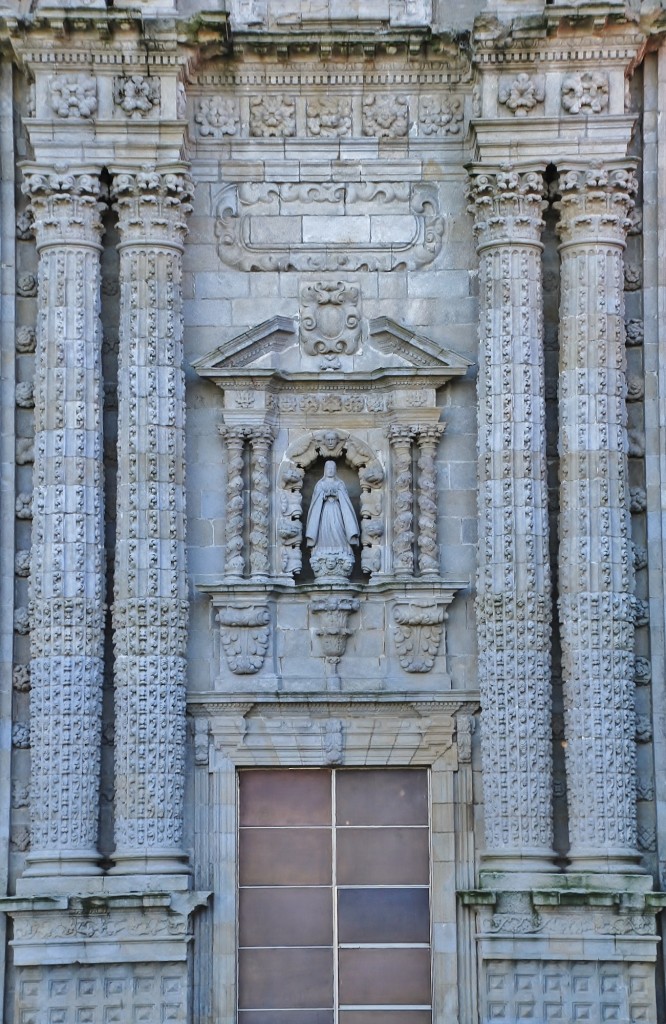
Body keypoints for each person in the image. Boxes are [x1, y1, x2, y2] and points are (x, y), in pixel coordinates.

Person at [306, 460, 359, 576]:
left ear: (335, 470)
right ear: (325, 470)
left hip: (336, 510)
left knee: (338, 529)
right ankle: (323, 551)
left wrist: (337, 495)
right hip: (324, 512)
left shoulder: (340, 484)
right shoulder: (320, 484)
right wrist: (323, 496)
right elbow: (315, 502)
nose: (330, 470)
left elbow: (345, 500)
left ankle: (341, 550)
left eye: (332, 468)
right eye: (328, 468)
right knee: (324, 531)